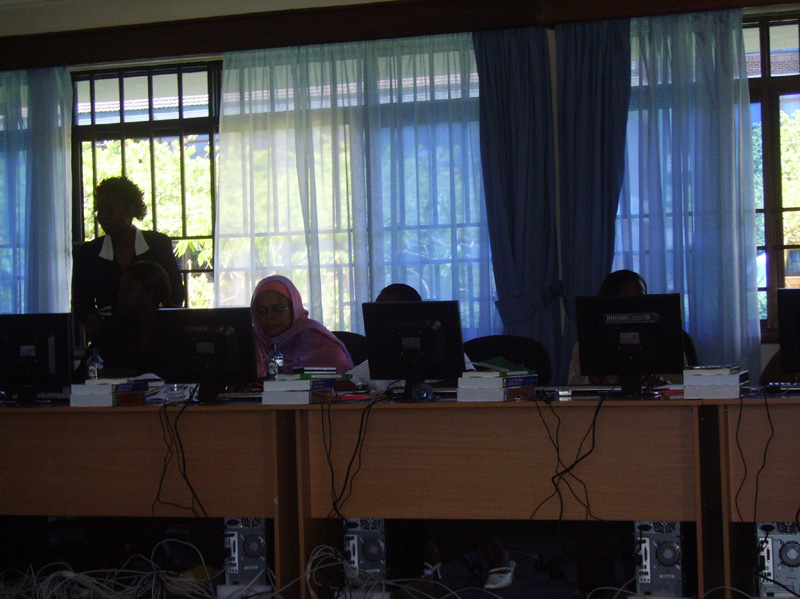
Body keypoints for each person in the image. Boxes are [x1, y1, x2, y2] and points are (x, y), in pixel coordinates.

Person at [72, 176, 185, 343]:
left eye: (110, 209)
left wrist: (160, 325)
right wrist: (93, 322)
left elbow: (175, 294)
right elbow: (81, 303)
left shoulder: (158, 245)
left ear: (131, 209)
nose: (103, 216)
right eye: (99, 210)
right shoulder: (88, 253)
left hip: (154, 338)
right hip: (108, 339)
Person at [567, 269, 694, 386]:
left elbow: (685, 384)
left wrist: (663, 383)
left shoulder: (668, 340)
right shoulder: (588, 345)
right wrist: (593, 379)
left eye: (640, 297)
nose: (635, 304)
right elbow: (572, 388)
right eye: (627, 299)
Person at [75, 260, 172, 380]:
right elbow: (82, 375)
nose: (119, 295)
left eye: (127, 290)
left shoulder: (174, 327)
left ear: (150, 294)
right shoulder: (111, 329)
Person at [250, 274, 354, 376]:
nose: (269, 317)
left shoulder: (318, 343)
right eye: (261, 311)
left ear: (293, 309)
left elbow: (342, 382)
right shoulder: (252, 343)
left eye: (278, 309)